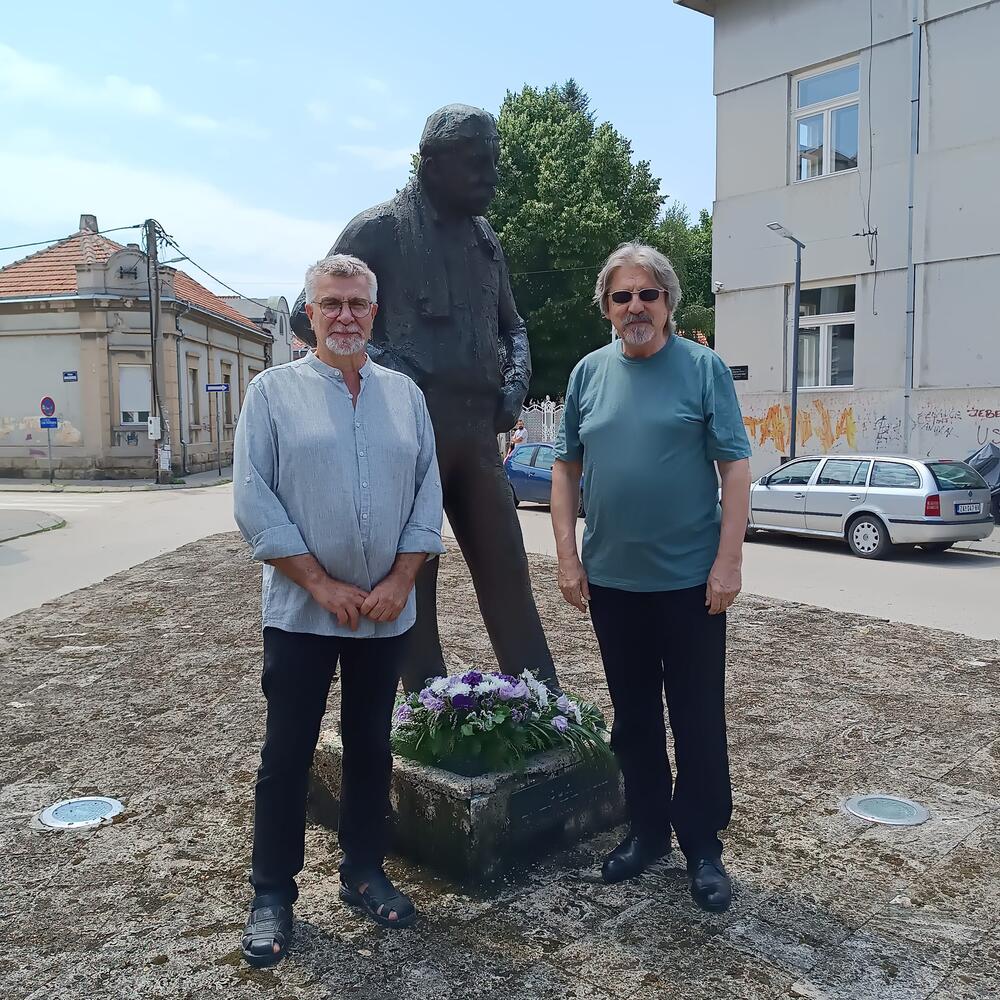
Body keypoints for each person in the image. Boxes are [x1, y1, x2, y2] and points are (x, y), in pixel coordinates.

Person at [290, 104, 558, 694]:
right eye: (476, 163)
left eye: (493, 161)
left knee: (507, 569)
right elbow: (304, 316)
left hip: (476, 432)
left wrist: (514, 385)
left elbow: (513, 327)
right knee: (416, 579)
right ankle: (427, 708)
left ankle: (544, 704)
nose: (492, 174)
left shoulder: (486, 241)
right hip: (406, 431)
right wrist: (390, 372)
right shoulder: (378, 231)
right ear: (433, 165)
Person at [233, 254, 445, 965]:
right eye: (332, 305)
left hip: (386, 611)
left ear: (373, 314)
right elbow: (253, 499)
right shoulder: (271, 393)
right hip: (300, 611)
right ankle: (272, 893)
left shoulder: (404, 397)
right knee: (286, 752)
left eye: (357, 304)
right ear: (309, 314)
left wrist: (403, 580)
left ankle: (363, 869)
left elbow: (427, 493)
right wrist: (320, 583)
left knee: (371, 746)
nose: (346, 316)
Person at [550, 242, 752, 912]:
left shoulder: (702, 369)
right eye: (621, 296)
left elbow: (734, 470)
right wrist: (567, 556)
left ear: (668, 302)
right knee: (634, 719)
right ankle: (647, 833)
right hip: (612, 582)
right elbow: (565, 469)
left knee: (696, 717)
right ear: (607, 308)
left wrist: (729, 561)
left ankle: (702, 846)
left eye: (648, 294)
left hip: (693, 584)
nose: (635, 307)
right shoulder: (587, 374)